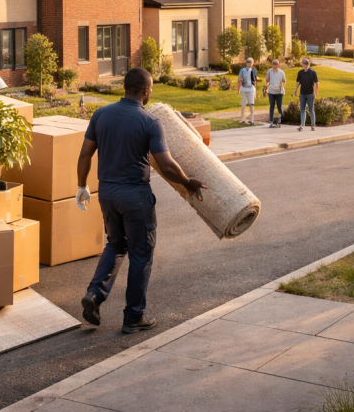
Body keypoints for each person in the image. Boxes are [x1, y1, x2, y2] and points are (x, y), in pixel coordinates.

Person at [76, 68, 206, 333]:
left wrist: (81, 186)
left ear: (125, 87)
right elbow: (166, 165)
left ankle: (94, 294)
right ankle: (134, 316)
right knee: (141, 253)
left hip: (107, 194)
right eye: (151, 89)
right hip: (135, 197)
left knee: (116, 244)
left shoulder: (101, 114)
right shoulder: (149, 121)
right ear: (146, 91)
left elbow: (85, 154)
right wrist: (188, 182)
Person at [293, 58, 320, 132]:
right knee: (302, 110)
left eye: (305, 64)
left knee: (311, 110)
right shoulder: (300, 72)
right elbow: (298, 82)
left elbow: (317, 82)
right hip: (302, 93)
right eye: (303, 64)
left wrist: (316, 91)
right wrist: (296, 90)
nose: (304, 65)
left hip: (310, 93)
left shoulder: (313, 72)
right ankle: (302, 125)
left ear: (307, 64)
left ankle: (313, 125)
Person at [265, 59, 286, 128]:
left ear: (278, 65)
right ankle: (271, 121)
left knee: (279, 106)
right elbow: (267, 80)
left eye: (276, 64)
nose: (274, 66)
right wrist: (265, 88)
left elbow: (284, 81)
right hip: (271, 91)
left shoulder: (281, 72)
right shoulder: (269, 71)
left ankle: (280, 119)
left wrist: (282, 84)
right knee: (272, 106)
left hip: (279, 92)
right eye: (273, 64)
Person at [237, 57, 258, 124]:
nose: (250, 64)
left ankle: (248, 119)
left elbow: (239, 78)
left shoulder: (249, 70)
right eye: (249, 63)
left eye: (251, 63)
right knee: (247, 104)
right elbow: (254, 80)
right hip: (247, 88)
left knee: (248, 103)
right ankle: (246, 119)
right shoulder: (250, 70)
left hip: (248, 88)